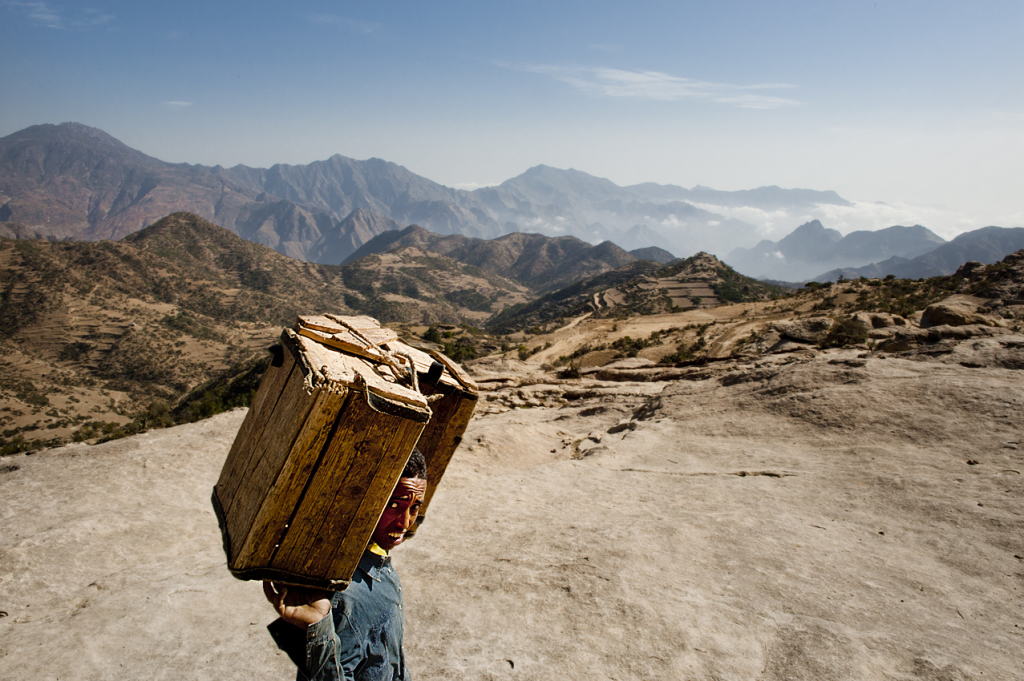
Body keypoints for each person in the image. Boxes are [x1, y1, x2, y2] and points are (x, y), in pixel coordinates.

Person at [264, 447, 427, 681]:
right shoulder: (345, 594)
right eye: (394, 506)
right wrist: (319, 628)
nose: (405, 523)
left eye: (414, 508)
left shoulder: (379, 567)